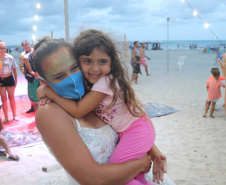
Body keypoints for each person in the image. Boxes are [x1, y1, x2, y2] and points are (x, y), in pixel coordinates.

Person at [37, 30, 166, 185]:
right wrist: (140, 164)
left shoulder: (92, 93)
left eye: (74, 68)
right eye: (59, 76)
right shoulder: (50, 112)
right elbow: (92, 178)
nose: (71, 78)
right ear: (44, 81)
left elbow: (127, 123)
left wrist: (154, 151)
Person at [0, 41, 18, 123]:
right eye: (1, 48)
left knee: (12, 98)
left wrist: (16, 81)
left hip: (10, 78)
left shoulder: (10, 58)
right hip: (1, 80)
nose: (3, 50)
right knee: (4, 99)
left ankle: (14, 115)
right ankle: (6, 117)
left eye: (4, 48)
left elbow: (14, 70)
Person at [20, 40, 35, 113]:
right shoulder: (22, 55)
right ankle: (32, 106)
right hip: (29, 76)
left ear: (29, 44)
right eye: (25, 47)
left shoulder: (34, 51)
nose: (27, 48)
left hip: (37, 73)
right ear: (23, 47)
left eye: (28, 47)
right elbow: (21, 66)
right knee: (31, 91)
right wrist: (25, 73)